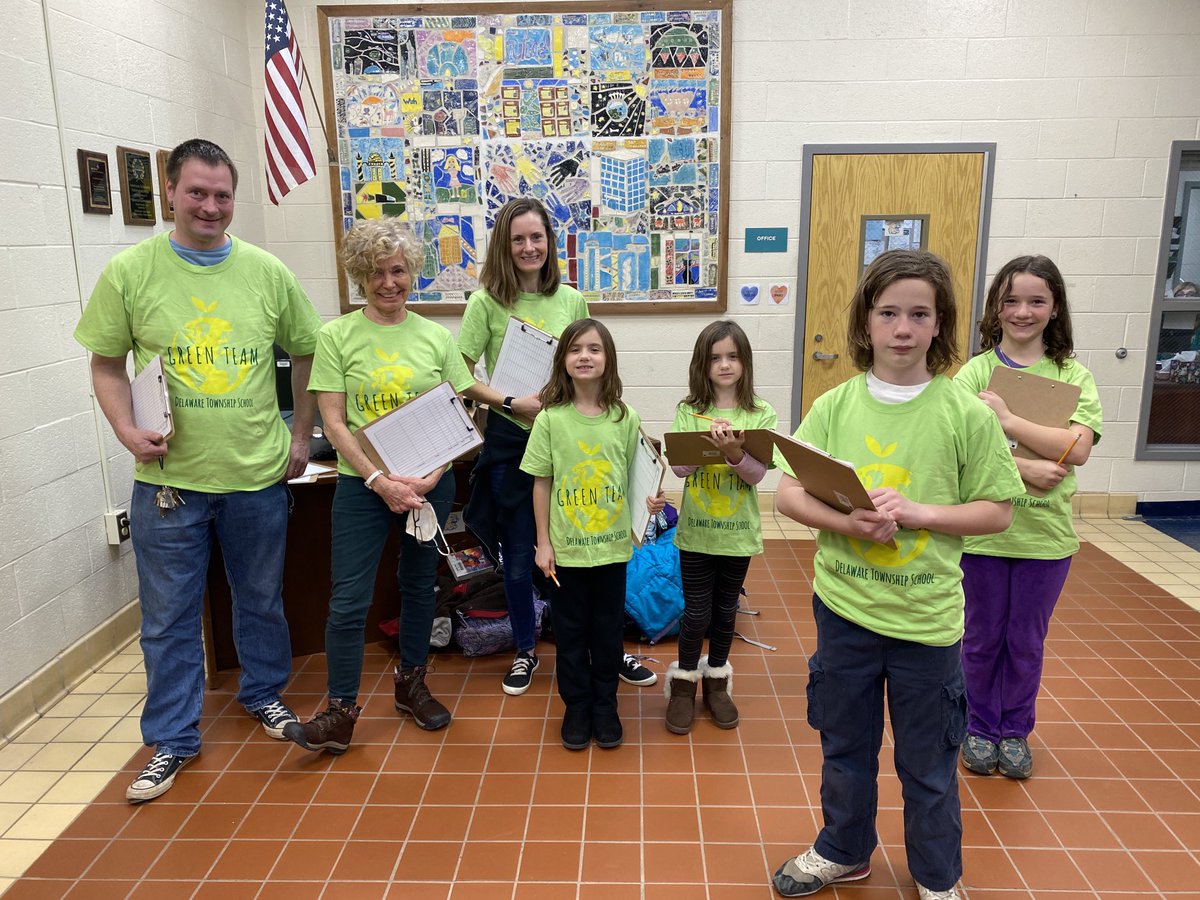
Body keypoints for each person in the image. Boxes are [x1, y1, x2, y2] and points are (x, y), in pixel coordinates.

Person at [770, 250, 1024, 899]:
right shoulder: (835, 406)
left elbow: (997, 510)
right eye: (889, 313)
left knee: (929, 762)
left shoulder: (964, 413)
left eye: (919, 313)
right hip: (845, 613)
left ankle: (937, 878)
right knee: (844, 748)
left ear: (940, 325)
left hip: (926, 623)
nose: (903, 328)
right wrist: (848, 524)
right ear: (867, 322)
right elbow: (788, 495)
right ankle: (844, 850)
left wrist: (919, 513)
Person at [74, 138, 322, 802]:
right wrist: (127, 430)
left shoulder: (267, 272)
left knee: (261, 600)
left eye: (221, 195)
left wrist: (300, 431)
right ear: (171, 192)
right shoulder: (131, 273)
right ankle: (174, 739)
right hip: (168, 486)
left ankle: (263, 694)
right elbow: (104, 363)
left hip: (255, 476)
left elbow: (306, 352)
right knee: (168, 617)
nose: (210, 206)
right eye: (197, 193)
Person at [284, 219, 493, 752]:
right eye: (375, 272)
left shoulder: (434, 337)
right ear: (359, 276)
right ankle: (338, 710)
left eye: (397, 270)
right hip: (362, 488)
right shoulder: (336, 336)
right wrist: (379, 480)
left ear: (412, 273)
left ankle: (412, 685)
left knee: (421, 585)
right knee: (348, 599)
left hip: (430, 487)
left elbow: (458, 415)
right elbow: (332, 421)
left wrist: (430, 476)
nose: (388, 282)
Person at [954, 256, 1102, 780]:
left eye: (1036, 300)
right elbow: (962, 455)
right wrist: (1026, 469)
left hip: (1045, 540)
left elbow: (1078, 448)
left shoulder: (1071, 374)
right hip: (983, 538)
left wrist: (1010, 420)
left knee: (1025, 641)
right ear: (997, 306)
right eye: (1012, 300)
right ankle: (978, 726)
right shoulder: (973, 373)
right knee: (980, 637)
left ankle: (1014, 732)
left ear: (1054, 307)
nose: (1023, 311)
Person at [458, 197, 609, 699]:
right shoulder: (486, 303)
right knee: (520, 558)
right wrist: (509, 400)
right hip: (510, 442)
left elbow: (591, 360)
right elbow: (456, 374)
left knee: (581, 550)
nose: (528, 247)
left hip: (568, 441)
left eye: (537, 237)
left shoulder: (571, 299)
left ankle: (597, 642)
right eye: (518, 239)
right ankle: (525, 649)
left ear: (550, 243)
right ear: (505, 244)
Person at [519, 318, 666, 750]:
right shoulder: (550, 419)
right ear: (564, 360)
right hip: (566, 553)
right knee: (570, 635)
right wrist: (543, 543)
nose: (585, 356)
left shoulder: (625, 417)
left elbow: (640, 478)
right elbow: (541, 482)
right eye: (576, 349)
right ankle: (576, 706)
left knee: (606, 634)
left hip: (612, 551)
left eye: (595, 349)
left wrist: (650, 505)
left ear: (608, 359)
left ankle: (605, 706)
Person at [663, 321, 776, 734]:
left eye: (732, 356)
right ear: (702, 365)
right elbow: (677, 466)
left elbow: (757, 476)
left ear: (745, 361)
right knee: (695, 613)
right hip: (695, 531)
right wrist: (706, 447)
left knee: (725, 612)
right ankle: (682, 685)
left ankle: (716, 684)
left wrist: (733, 453)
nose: (724, 365)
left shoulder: (760, 413)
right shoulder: (688, 409)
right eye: (715, 358)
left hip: (738, 534)